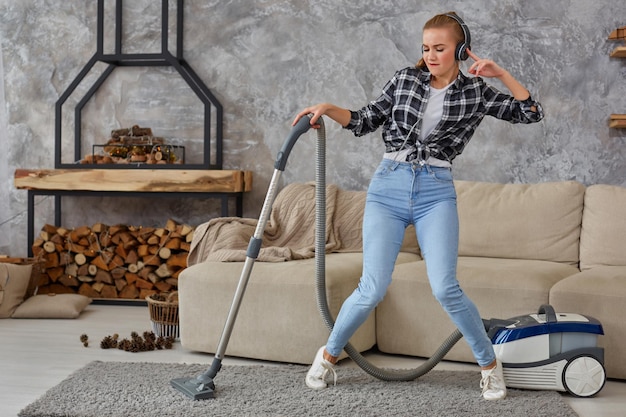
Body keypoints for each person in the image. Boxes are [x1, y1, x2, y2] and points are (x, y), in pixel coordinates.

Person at [292, 11, 544, 401]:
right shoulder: (404, 79)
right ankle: (327, 356)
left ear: (460, 49)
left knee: (445, 287)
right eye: (426, 47)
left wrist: (501, 75)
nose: (430, 55)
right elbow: (364, 121)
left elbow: (530, 113)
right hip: (387, 187)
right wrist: (326, 108)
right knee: (372, 287)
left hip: (435, 191)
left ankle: (490, 367)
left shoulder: (475, 92)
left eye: (440, 48)